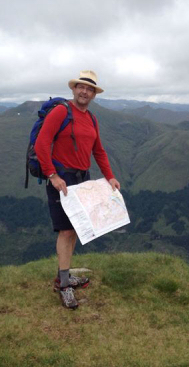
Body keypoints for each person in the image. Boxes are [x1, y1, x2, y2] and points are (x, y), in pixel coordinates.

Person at [34, 70, 120, 309]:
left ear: (94, 94)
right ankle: (64, 286)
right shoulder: (61, 112)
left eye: (90, 89)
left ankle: (63, 276)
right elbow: (42, 143)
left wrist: (110, 177)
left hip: (82, 180)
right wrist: (52, 175)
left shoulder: (91, 118)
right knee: (65, 231)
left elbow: (98, 150)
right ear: (73, 89)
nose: (85, 92)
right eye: (81, 87)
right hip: (62, 179)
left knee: (74, 229)